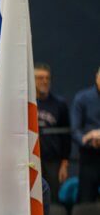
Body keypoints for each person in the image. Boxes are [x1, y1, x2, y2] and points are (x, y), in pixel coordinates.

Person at [34, 63, 71, 204]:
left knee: (52, 200)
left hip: (53, 162)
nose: (44, 81)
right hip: (31, 161)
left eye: (47, 78)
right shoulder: (25, 103)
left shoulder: (59, 104)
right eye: (40, 78)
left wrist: (64, 164)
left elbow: (66, 136)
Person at [70, 66, 100, 204]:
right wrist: (87, 140)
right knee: (86, 200)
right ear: (97, 77)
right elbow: (75, 130)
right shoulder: (82, 98)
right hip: (89, 157)